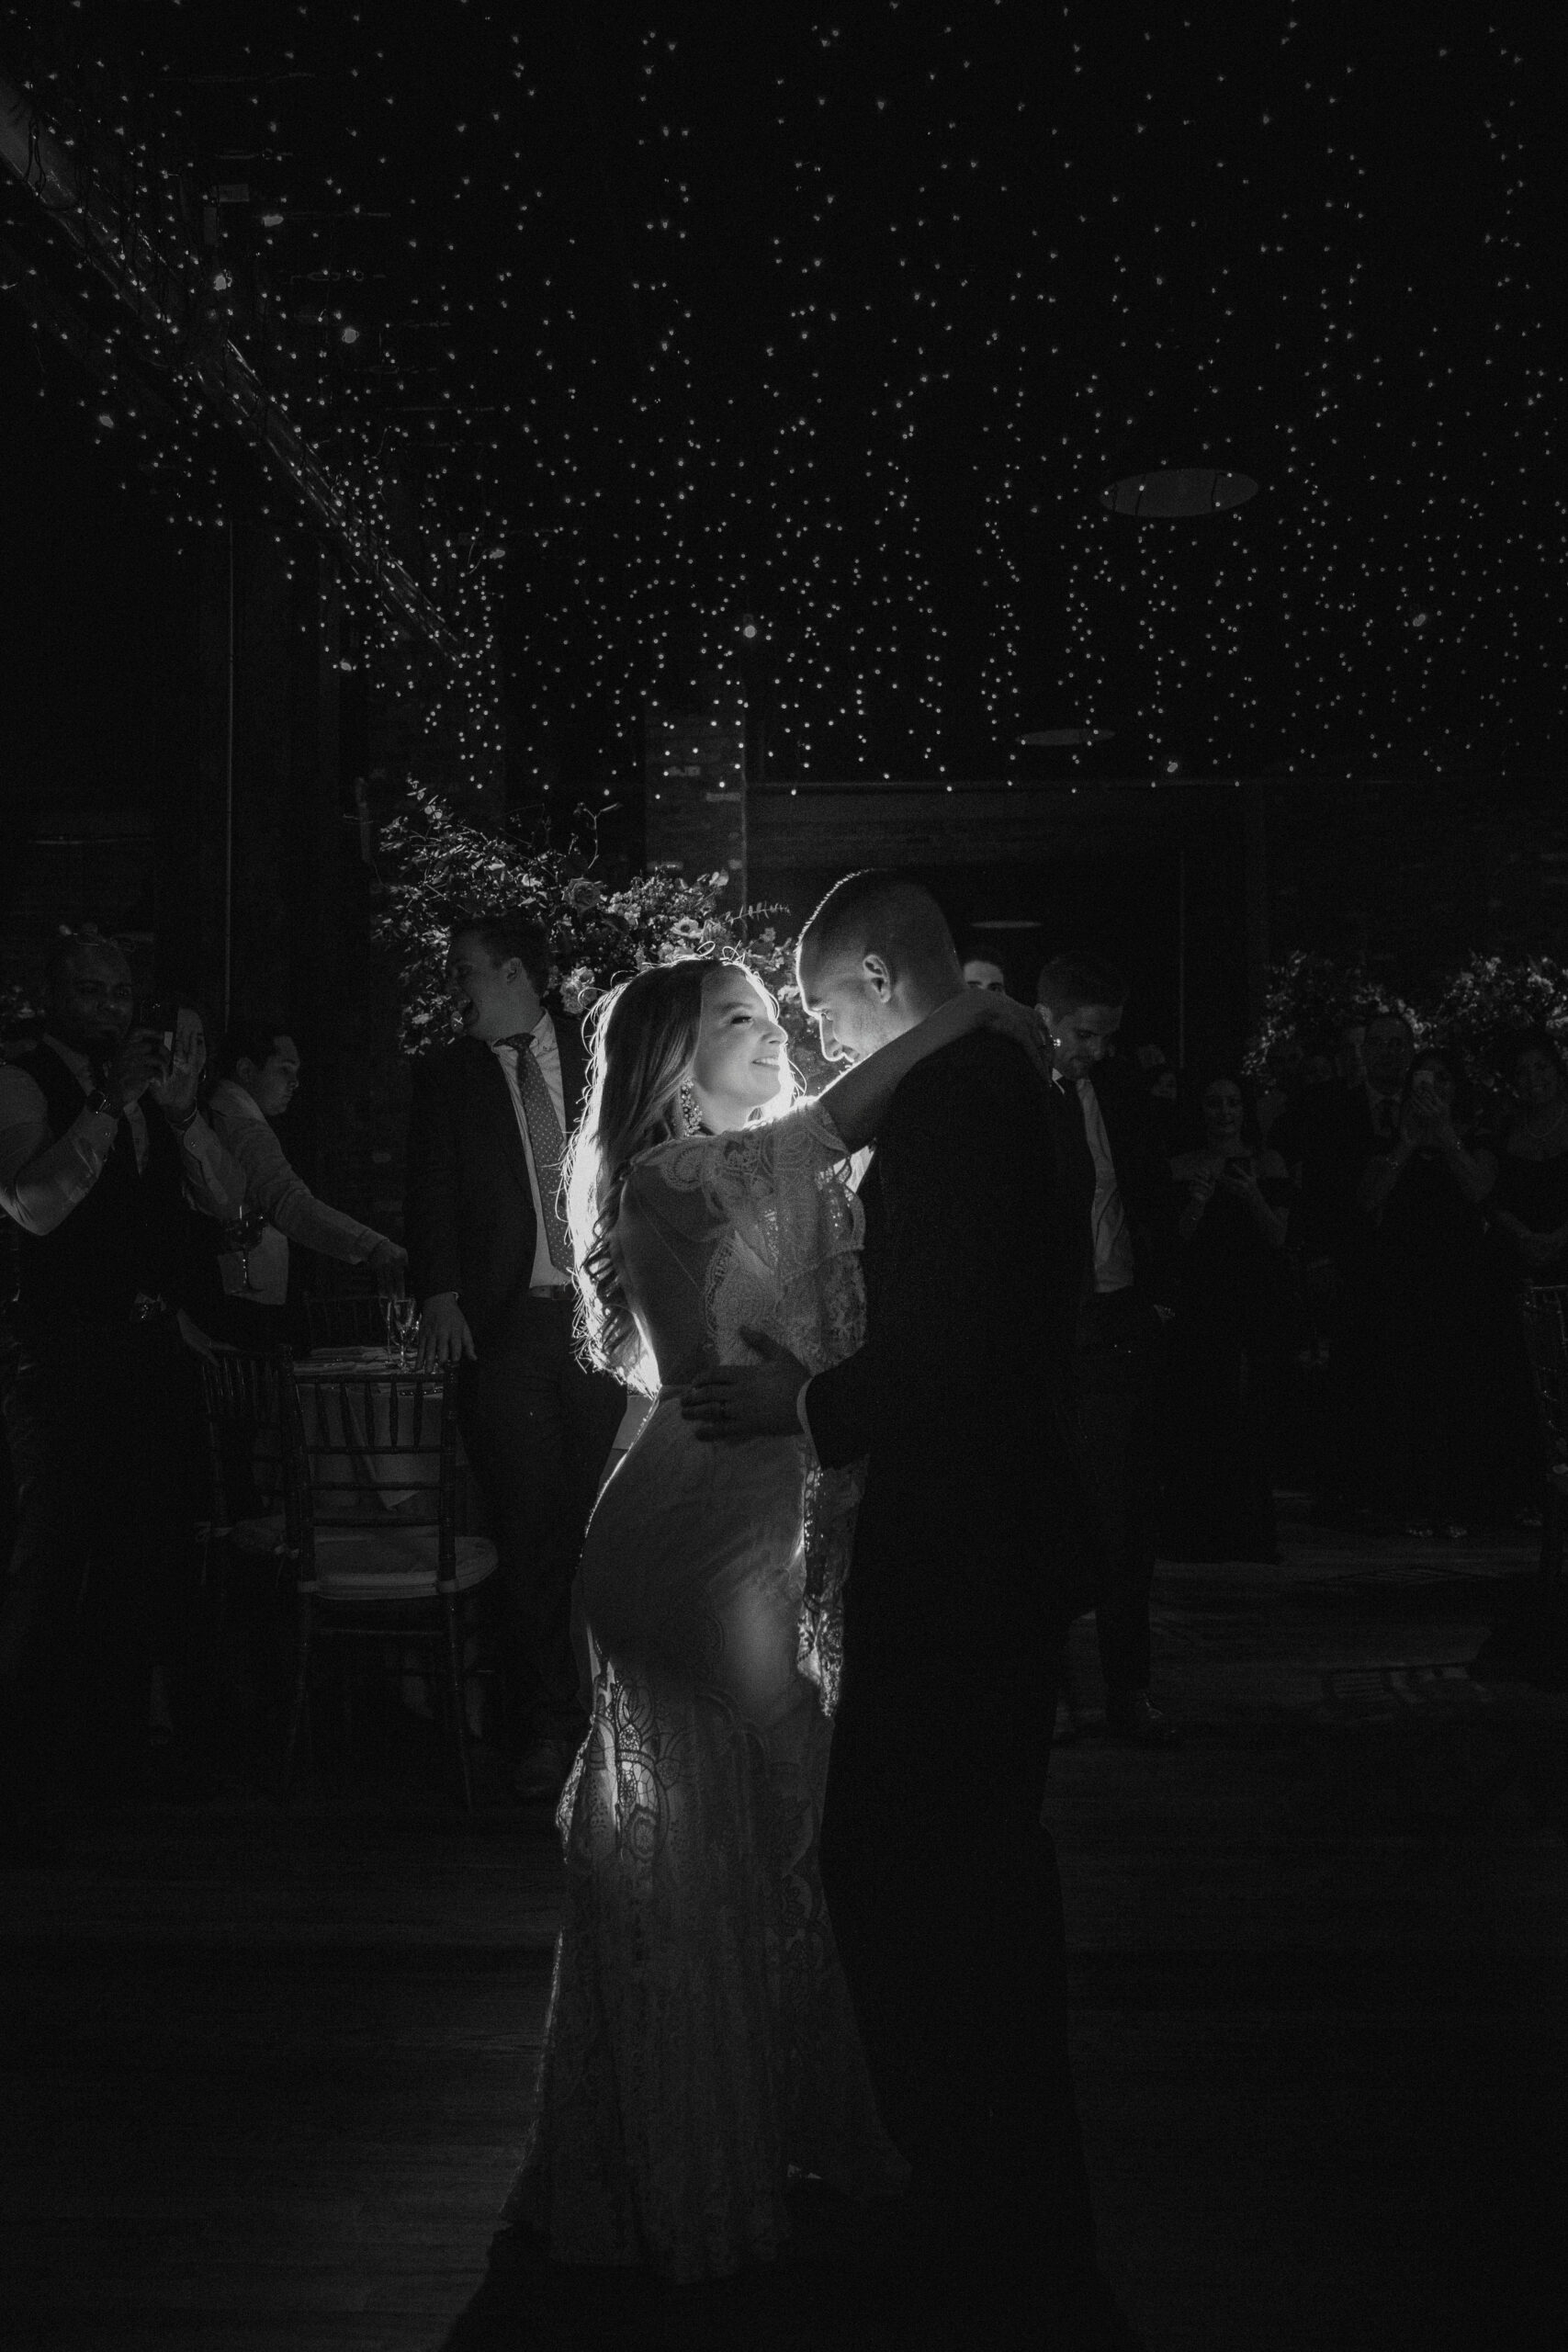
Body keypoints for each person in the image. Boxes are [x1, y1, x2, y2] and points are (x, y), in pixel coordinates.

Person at [682, 879, 1136, 2347]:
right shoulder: (991, 1072)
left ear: (877, 977)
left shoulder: (957, 1101)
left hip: (963, 1544)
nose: (811, 1041)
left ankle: (990, 2233)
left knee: (913, 1880)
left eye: (818, 1009)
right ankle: (998, 2220)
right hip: (987, 1537)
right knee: (959, 1880)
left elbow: (944, 1350)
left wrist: (800, 1401)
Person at [0, 935, 244, 1841]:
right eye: (88, 991)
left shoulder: (151, 1095)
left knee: (147, 1563)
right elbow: (34, 1204)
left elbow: (227, 1204)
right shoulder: (23, 1078)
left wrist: (177, 1115)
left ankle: (112, 1760)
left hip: (147, 1356)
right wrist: (107, 1106)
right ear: (55, 994)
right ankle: (20, 1780)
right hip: (62, 1358)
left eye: (117, 992)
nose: (106, 1007)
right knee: (51, 1564)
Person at [403, 911, 625, 1801]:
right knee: (528, 1525)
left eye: (464, 969)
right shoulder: (449, 1075)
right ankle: (545, 1723)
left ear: (513, 973)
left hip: (603, 1320)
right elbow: (431, 1188)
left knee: (600, 1523)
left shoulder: (598, 1047)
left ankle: (615, 1708)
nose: (453, 987)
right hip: (510, 1326)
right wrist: (440, 1291)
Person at [1036, 951, 1179, 1747]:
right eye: (1087, 1034)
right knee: (1049, 1513)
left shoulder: (1116, 1092)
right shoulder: (1025, 1097)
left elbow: (1147, 1191)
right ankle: (1050, 1690)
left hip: (1121, 1317)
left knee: (1125, 1519)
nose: (1097, 1049)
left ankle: (1128, 1686)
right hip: (1054, 1330)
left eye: (1108, 1036)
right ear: (1049, 1020)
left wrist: (1158, 1301)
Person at [1355, 1047, 1496, 1536]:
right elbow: (1370, 1200)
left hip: (1458, 1283)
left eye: (1440, 1082)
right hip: (1402, 1281)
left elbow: (1480, 1189)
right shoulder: (1388, 1137)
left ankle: (1458, 1504)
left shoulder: (1475, 1138)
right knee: (1406, 1391)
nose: (1431, 1092)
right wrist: (1408, 1145)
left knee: (1458, 1391)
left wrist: (1446, 1137)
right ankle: (1410, 1501)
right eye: (1422, 1082)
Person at [201, 1023, 406, 1347]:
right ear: (246, 1069)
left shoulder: (224, 1112)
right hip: (240, 1301)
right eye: (284, 1070)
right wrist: (371, 1244)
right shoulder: (242, 1125)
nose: (295, 1083)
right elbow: (288, 1202)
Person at [1165, 1072, 1295, 1563]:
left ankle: (1249, 1530)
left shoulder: (1266, 1163)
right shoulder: (1181, 1166)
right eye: (1214, 1104)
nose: (1224, 1113)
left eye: (1232, 1104)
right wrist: (1197, 1204)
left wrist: (1252, 1196)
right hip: (1201, 1303)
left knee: (1249, 1410)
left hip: (1253, 1299)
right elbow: (1173, 1244)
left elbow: (1279, 1236)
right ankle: (1198, 1530)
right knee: (1200, 1410)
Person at [1487, 1029, 1568, 1283]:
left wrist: (1561, 1238)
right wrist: (1522, 1236)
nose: (1533, 1077)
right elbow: (1491, 1198)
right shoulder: (1503, 1131)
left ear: (1557, 1069)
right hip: (1517, 1269)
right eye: (1522, 1071)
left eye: (1541, 1066)